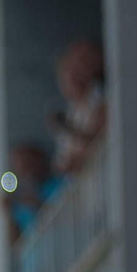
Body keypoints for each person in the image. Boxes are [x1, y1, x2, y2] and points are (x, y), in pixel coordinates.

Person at [47, 39, 107, 175]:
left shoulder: (100, 98)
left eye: (83, 64)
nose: (72, 78)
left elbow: (98, 139)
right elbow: (63, 161)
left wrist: (69, 129)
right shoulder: (72, 111)